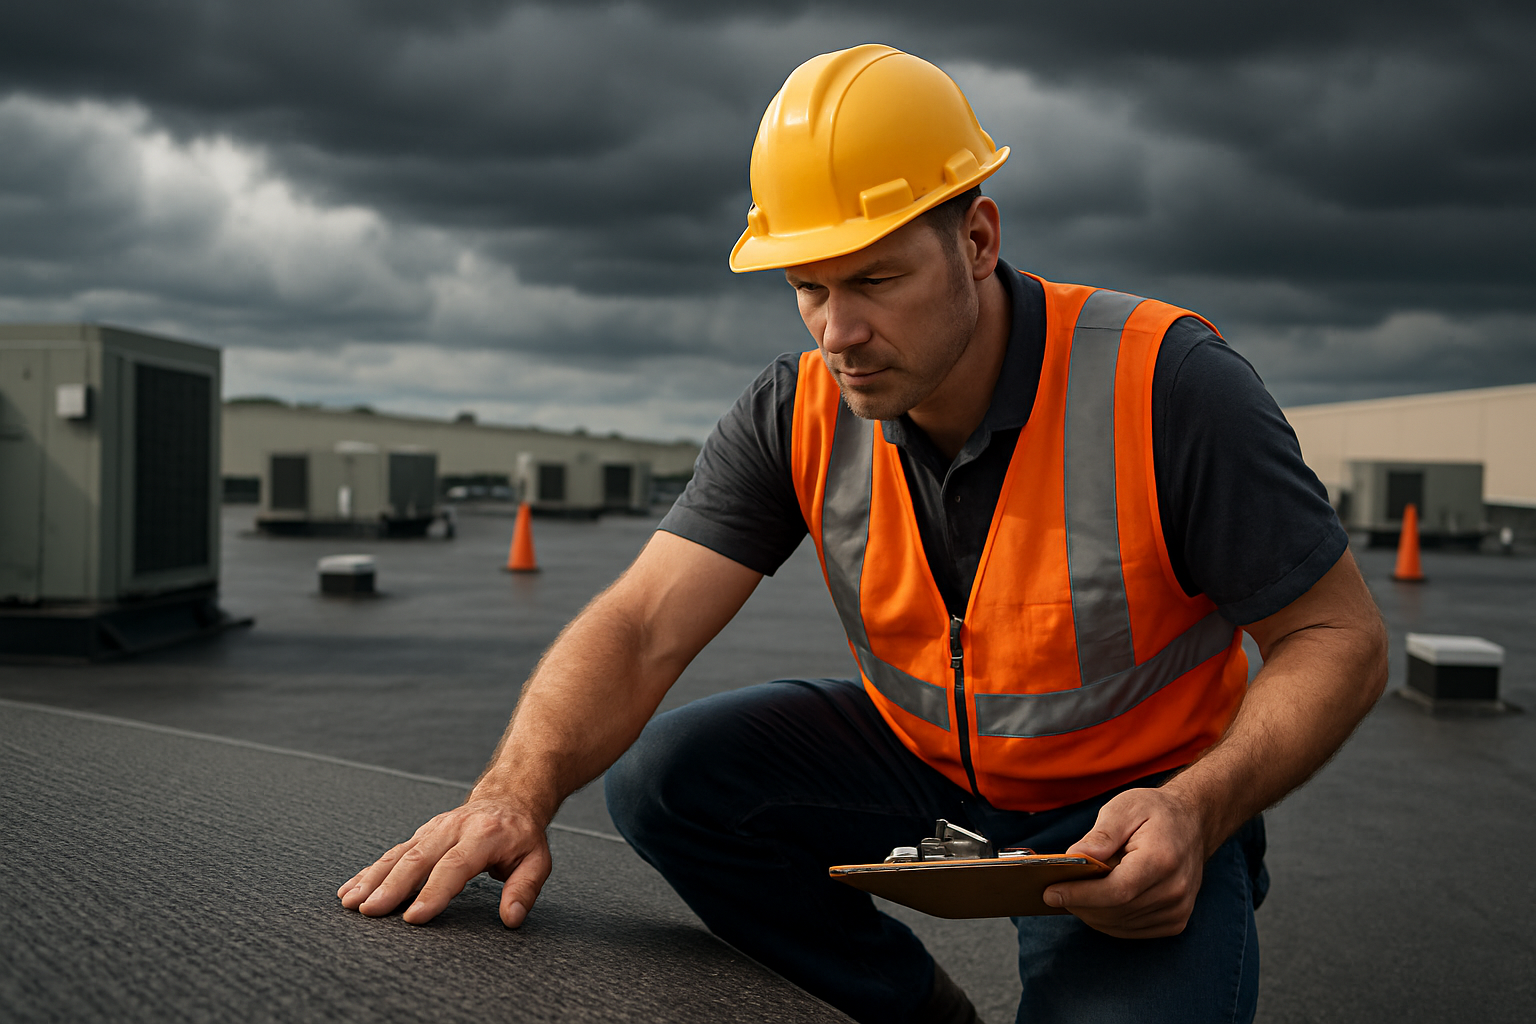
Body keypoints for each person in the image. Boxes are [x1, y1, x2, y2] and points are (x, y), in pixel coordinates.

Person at [338, 44, 1388, 1024]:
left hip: (1140, 806)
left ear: (977, 240)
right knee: (670, 780)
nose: (838, 332)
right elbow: (644, 621)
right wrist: (512, 794)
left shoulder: (1170, 387)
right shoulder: (793, 411)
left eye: (876, 279)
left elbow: (1339, 639)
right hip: (925, 766)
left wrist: (1198, 810)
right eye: (808, 287)